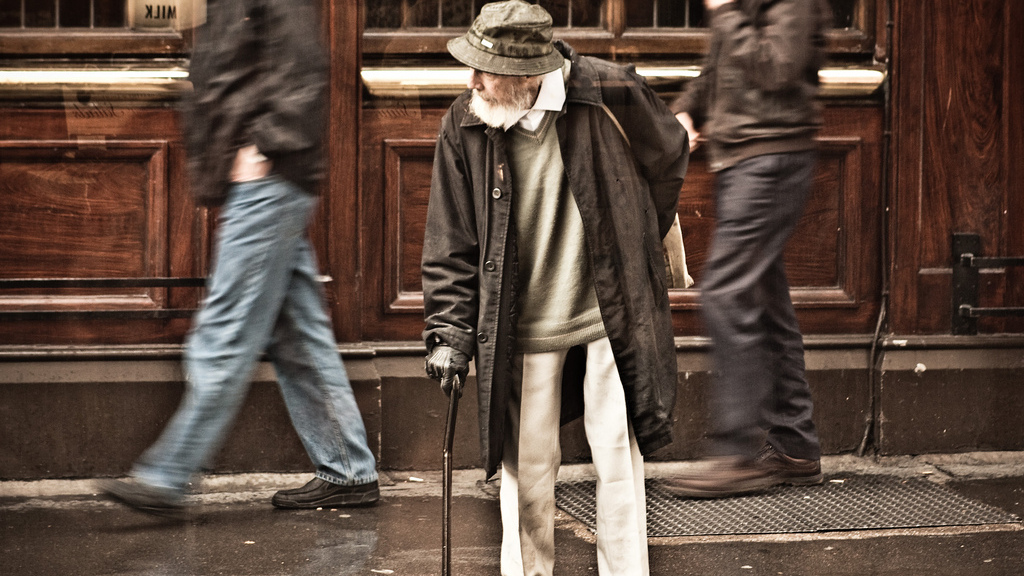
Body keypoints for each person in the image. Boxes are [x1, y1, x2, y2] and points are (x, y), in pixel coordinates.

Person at [421, 2, 689, 574]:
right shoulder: (466, 121)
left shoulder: (610, 91)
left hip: (608, 311)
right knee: (528, 467)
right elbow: (451, 239)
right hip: (524, 319)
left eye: (485, 69)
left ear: (529, 74)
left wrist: (638, 237)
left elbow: (668, 155)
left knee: (619, 455)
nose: (472, 81)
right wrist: (447, 331)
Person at [97, 0, 379, 518]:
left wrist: (265, 146)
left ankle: (167, 475)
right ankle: (348, 470)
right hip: (264, 179)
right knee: (298, 335)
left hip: (268, 180)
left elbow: (305, 66)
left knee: (223, 331)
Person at [662, 0, 832, 499]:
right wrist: (689, 110)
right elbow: (722, 68)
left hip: (773, 160)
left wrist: (727, 11)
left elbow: (777, 66)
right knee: (766, 304)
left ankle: (736, 453)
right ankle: (795, 446)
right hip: (746, 161)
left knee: (725, 296)